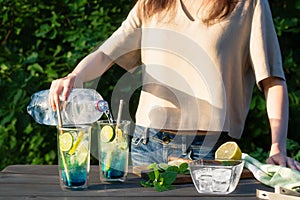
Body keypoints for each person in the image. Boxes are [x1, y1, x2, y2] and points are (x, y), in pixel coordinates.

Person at [49, 0, 300, 171]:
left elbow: (272, 79)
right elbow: (107, 54)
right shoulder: (152, 4)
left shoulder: (248, 4)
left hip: (209, 152)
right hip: (145, 145)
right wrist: (76, 75)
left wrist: (277, 146)